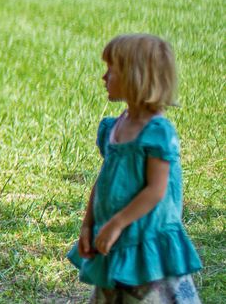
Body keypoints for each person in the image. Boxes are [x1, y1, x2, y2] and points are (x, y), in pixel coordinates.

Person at [69, 34, 202, 302]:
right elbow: (104, 179)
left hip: (145, 240)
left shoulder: (157, 132)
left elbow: (156, 190)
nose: (104, 77)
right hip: (113, 236)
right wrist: (88, 224)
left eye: (111, 70)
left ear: (135, 76)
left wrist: (118, 223)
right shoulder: (116, 126)